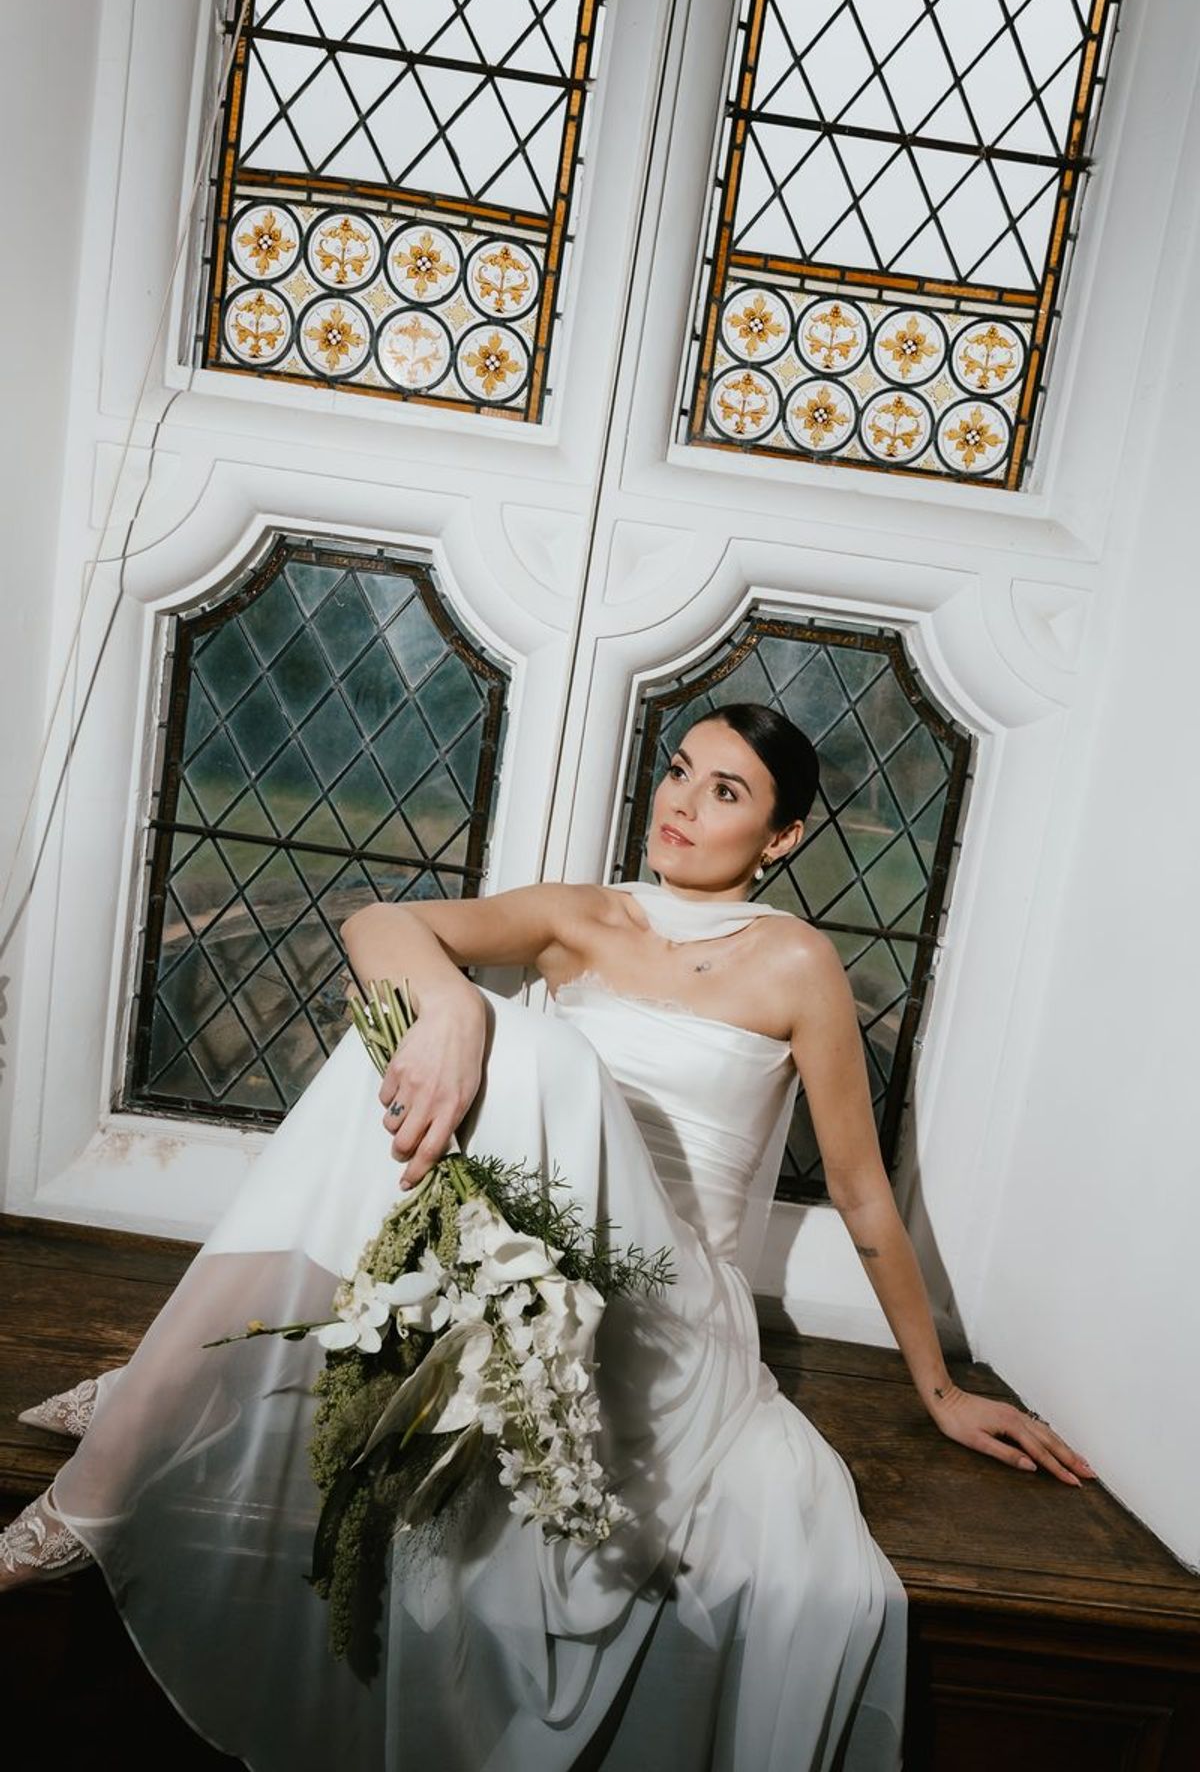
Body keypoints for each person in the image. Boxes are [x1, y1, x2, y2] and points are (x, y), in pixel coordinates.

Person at [1, 701, 1094, 1769]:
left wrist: (941, 1391)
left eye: (727, 792)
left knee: (538, 1052)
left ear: (782, 836)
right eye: (678, 772)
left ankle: (172, 1388)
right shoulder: (583, 915)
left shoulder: (795, 964)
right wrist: (455, 1009)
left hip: (663, 1305)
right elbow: (377, 923)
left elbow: (861, 1197)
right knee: (417, 1031)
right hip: (525, 1266)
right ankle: (168, 1389)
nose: (682, 804)